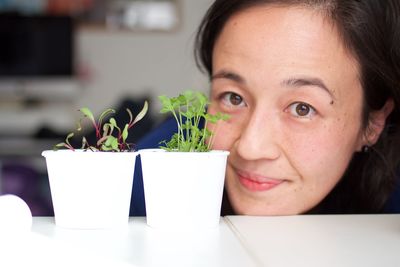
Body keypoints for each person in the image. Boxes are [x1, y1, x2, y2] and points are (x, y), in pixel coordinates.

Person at [192, 0, 400, 215]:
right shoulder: (162, 169)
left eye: (302, 108)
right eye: (233, 98)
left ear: (373, 124)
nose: (250, 148)